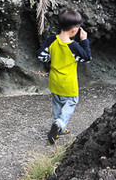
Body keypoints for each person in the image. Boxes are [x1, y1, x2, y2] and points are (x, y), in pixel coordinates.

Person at [37, 8, 92, 144]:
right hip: (68, 84)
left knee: (57, 104)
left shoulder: (51, 40)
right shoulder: (74, 46)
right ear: (74, 30)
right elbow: (87, 58)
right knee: (71, 103)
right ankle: (60, 124)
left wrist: (51, 61)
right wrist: (84, 41)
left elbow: (41, 56)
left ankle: (57, 126)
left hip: (54, 82)